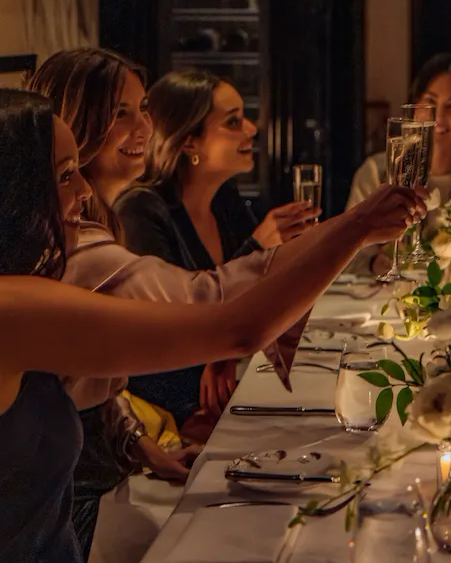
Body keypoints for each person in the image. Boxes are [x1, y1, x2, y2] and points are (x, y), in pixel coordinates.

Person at [0, 88, 424, 562]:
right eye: (64, 175)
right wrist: (359, 225)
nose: (82, 190)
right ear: (15, 191)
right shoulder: (15, 306)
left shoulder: (28, 284)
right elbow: (234, 327)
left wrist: (136, 441)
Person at [28, 50, 318, 555]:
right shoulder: (85, 238)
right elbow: (207, 304)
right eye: (122, 112)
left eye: (144, 109)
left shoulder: (107, 218)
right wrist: (354, 228)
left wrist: (138, 444)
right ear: (72, 123)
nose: (145, 125)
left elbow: (91, 375)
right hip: (75, 502)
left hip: (111, 468)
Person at [115, 68, 316, 429]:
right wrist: (260, 245)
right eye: (233, 122)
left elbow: (257, 290)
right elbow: (169, 323)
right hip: (169, 410)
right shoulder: (141, 210)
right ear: (189, 141)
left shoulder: (224, 197)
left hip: (231, 384)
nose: (251, 130)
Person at [346, 53, 451, 275]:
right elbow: (348, 257)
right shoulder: (377, 172)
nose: (438, 116)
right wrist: (373, 265)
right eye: (430, 102)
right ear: (414, 104)